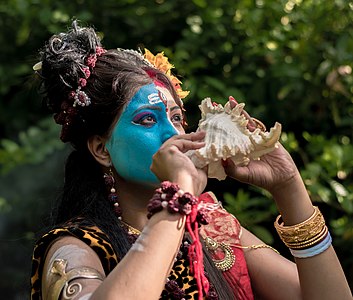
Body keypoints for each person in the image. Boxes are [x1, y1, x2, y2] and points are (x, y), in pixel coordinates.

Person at [30, 21, 352, 300]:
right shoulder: (73, 249)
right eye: (147, 120)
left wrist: (289, 188)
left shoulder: (212, 228)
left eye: (176, 117)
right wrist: (179, 195)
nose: (173, 133)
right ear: (102, 149)